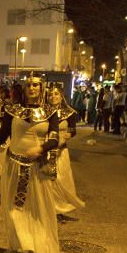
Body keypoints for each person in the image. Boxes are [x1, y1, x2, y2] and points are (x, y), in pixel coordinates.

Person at [0, 74, 60, 253]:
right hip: (14, 165)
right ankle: (14, 245)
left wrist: (40, 149)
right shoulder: (12, 110)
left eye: (36, 86)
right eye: (29, 85)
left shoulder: (50, 111)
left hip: (36, 168)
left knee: (36, 209)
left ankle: (35, 249)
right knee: (13, 208)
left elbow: (54, 139)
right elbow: (3, 134)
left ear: (41, 89)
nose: (32, 88)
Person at [43, 85, 86, 217]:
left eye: (56, 94)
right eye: (50, 94)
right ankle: (46, 207)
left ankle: (60, 207)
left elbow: (73, 130)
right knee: (44, 180)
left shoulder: (69, 113)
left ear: (61, 96)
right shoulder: (42, 111)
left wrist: (66, 137)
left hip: (60, 151)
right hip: (45, 148)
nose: (53, 97)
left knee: (60, 179)